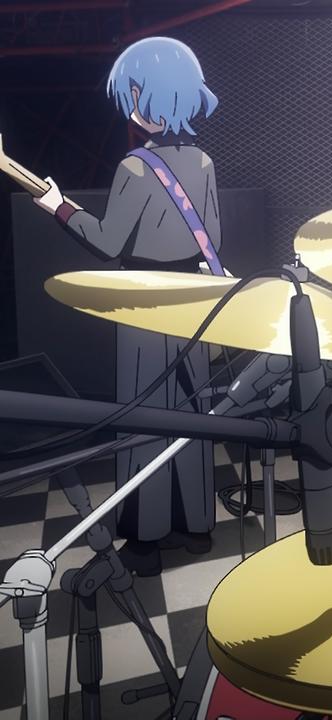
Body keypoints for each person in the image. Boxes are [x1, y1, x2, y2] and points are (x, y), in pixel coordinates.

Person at [34, 36, 223, 577]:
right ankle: (197, 528)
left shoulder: (135, 168)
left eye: (135, 91)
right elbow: (212, 238)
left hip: (143, 306)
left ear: (150, 96)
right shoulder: (204, 162)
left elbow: (107, 242)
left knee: (144, 418)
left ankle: (145, 541)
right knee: (193, 416)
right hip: (193, 303)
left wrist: (59, 207)